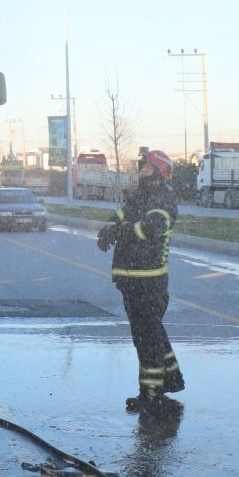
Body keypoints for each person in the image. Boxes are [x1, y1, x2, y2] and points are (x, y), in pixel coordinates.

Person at [97, 148, 184, 412]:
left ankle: (151, 393)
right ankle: (169, 380)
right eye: (142, 170)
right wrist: (108, 229)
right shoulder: (139, 198)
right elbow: (121, 217)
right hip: (131, 281)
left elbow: (148, 229)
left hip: (150, 282)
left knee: (148, 338)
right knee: (147, 335)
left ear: (160, 175)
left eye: (148, 170)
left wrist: (119, 231)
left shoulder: (164, 201)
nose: (143, 175)